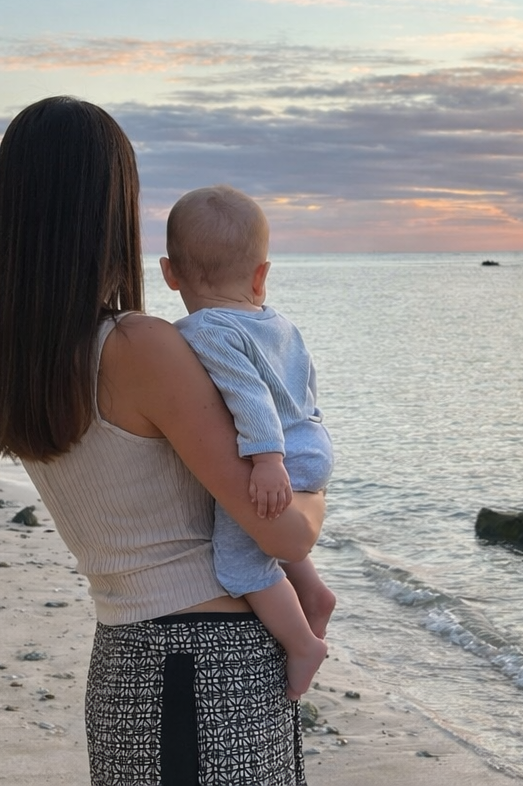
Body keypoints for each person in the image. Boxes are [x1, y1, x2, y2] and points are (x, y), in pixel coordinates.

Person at [0, 97, 324, 786]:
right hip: (207, 665)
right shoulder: (139, 347)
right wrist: (315, 482)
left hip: (126, 661)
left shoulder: (22, 362)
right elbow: (284, 532)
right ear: (110, 211)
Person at [162, 185, 337, 700]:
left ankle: (302, 644)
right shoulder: (279, 323)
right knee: (267, 531)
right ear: (261, 275)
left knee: (239, 565)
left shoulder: (204, 330)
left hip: (276, 454)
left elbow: (250, 398)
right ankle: (314, 592)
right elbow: (306, 385)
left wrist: (267, 460)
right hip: (311, 441)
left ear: (170, 273)